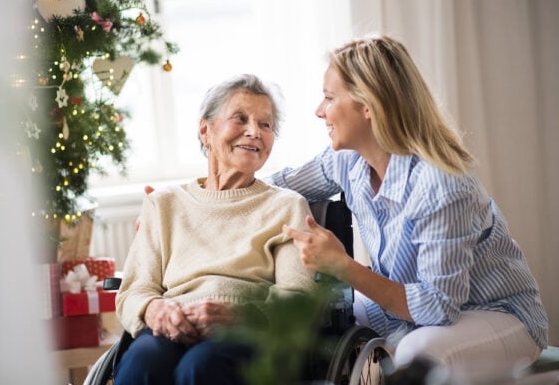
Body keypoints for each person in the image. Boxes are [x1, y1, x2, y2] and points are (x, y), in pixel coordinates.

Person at [274, 34, 548, 380]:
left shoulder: (441, 184)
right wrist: (213, 181)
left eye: (329, 98)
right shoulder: (346, 161)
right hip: (406, 314)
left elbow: (438, 307)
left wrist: (342, 266)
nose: (319, 111)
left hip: (497, 315)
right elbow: (278, 187)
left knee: (417, 353)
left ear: (368, 106)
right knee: (312, 327)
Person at [114, 74, 315, 385]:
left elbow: (297, 300)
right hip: (171, 328)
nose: (254, 132)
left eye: (266, 124)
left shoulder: (287, 206)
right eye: (241, 118)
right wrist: (156, 311)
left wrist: (240, 317)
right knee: (144, 362)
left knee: (201, 366)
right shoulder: (163, 203)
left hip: (249, 336)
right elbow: (133, 292)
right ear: (205, 130)